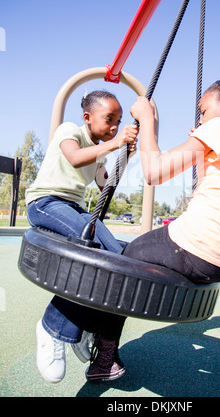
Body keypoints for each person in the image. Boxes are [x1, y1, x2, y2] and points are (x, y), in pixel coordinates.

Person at [83, 71, 220, 381]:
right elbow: (214, 190)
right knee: (140, 253)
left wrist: (148, 121)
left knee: (120, 261)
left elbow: (154, 172)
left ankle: (104, 357)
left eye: (203, 110)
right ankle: (103, 346)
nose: (202, 118)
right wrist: (202, 150)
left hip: (195, 244)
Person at [26, 90, 138, 383]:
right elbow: (74, 158)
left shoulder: (99, 150)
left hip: (73, 209)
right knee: (97, 256)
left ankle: (84, 328)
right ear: (87, 117)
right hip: (47, 203)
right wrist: (116, 143)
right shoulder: (70, 131)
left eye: (118, 121)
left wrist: (124, 155)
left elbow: (106, 185)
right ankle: (51, 328)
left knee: (117, 258)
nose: (114, 126)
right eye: (109, 119)